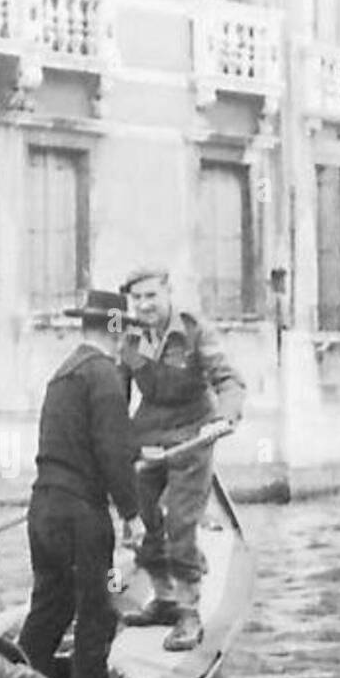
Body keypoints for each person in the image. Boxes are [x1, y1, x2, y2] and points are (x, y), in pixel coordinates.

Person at [19, 289, 146, 678]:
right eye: (125, 327)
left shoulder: (63, 374)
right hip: (81, 516)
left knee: (48, 611)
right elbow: (113, 452)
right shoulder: (103, 376)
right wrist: (132, 513)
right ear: (116, 328)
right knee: (96, 615)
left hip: (43, 510)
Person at [119, 267, 245, 650]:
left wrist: (224, 418)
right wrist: (114, 439)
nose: (144, 305)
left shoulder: (193, 331)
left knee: (182, 520)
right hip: (148, 434)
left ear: (168, 293)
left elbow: (228, 380)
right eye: (137, 298)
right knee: (144, 518)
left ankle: (190, 612)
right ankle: (164, 599)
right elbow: (117, 390)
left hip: (193, 434)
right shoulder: (132, 337)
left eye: (151, 296)